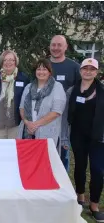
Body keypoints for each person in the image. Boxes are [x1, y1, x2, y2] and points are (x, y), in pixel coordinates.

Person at [63, 58, 104, 221]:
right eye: (85, 68)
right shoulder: (72, 90)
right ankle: (80, 197)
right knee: (79, 166)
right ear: (80, 71)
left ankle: (94, 204)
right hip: (78, 135)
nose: (88, 71)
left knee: (98, 170)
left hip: (98, 137)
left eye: (91, 69)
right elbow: (67, 113)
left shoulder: (102, 91)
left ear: (96, 72)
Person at [50, 35, 81, 172]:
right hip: (44, 118)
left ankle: (63, 185)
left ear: (65, 47)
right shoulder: (43, 65)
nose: (56, 48)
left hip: (65, 119)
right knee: (46, 150)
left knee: (63, 152)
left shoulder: (74, 67)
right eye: (53, 45)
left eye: (59, 45)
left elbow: (81, 91)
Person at [18, 58, 66, 147]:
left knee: (44, 159)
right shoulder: (28, 87)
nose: (41, 72)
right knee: (28, 158)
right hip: (27, 131)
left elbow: (56, 112)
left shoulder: (57, 87)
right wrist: (27, 123)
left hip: (47, 133)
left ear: (49, 72)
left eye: (44, 69)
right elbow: (21, 107)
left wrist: (35, 125)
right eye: (38, 69)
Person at [0, 50, 29, 139]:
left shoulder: (23, 79)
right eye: (5, 60)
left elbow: (27, 102)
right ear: (1, 62)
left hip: (16, 124)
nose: (8, 62)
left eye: (11, 60)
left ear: (15, 62)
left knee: (14, 151)